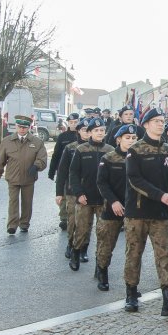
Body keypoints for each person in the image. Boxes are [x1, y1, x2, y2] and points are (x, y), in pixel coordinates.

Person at [123, 108, 168, 316]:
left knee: (164, 254)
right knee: (134, 253)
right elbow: (135, 179)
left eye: (162, 121)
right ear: (146, 124)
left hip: (161, 213)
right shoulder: (136, 149)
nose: (161, 124)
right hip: (138, 212)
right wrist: (160, 195)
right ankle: (131, 293)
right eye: (156, 121)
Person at [95, 124, 137, 291]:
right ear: (119, 139)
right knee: (106, 244)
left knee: (133, 247)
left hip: (133, 209)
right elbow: (102, 183)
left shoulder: (138, 157)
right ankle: (102, 272)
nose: (131, 141)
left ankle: (131, 283)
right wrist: (113, 201)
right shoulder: (109, 158)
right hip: (112, 208)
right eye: (127, 138)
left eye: (134, 138)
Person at [68, 117, 113, 272]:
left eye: (102, 130)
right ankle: (75, 252)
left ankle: (99, 265)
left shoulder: (110, 150)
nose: (100, 133)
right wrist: (78, 193)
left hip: (103, 200)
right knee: (81, 230)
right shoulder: (82, 150)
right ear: (90, 132)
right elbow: (73, 173)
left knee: (103, 233)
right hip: (85, 198)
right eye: (96, 130)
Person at [0, 114, 48, 234]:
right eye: (20, 127)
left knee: (27, 201)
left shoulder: (37, 142)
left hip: (29, 177)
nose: (22, 129)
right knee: (13, 201)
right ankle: (12, 225)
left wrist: (36, 166)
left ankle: (24, 223)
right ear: (16, 127)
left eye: (25, 127)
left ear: (29, 128)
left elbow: (42, 158)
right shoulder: (7, 141)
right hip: (13, 177)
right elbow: (0, 159)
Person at [56, 118, 91, 260]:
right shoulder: (70, 148)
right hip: (71, 190)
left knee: (87, 221)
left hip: (89, 190)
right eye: (84, 130)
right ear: (78, 131)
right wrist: (59, 193)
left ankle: (83, 248)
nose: (87, 133)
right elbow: (63, 171)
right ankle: (70, 244)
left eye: (90, 130)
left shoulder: (98, 148)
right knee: (72, 220)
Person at [48, 112, 79, 230]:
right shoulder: (62, 137)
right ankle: (64, 218)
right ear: (68, 123)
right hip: (64, 169)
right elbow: (56, 155)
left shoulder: (82, 136)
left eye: (76, 122)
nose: (74, 125)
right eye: (71, 123)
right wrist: (51, 171)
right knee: (63, 194)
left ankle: (76, 217)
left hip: (77, 171)